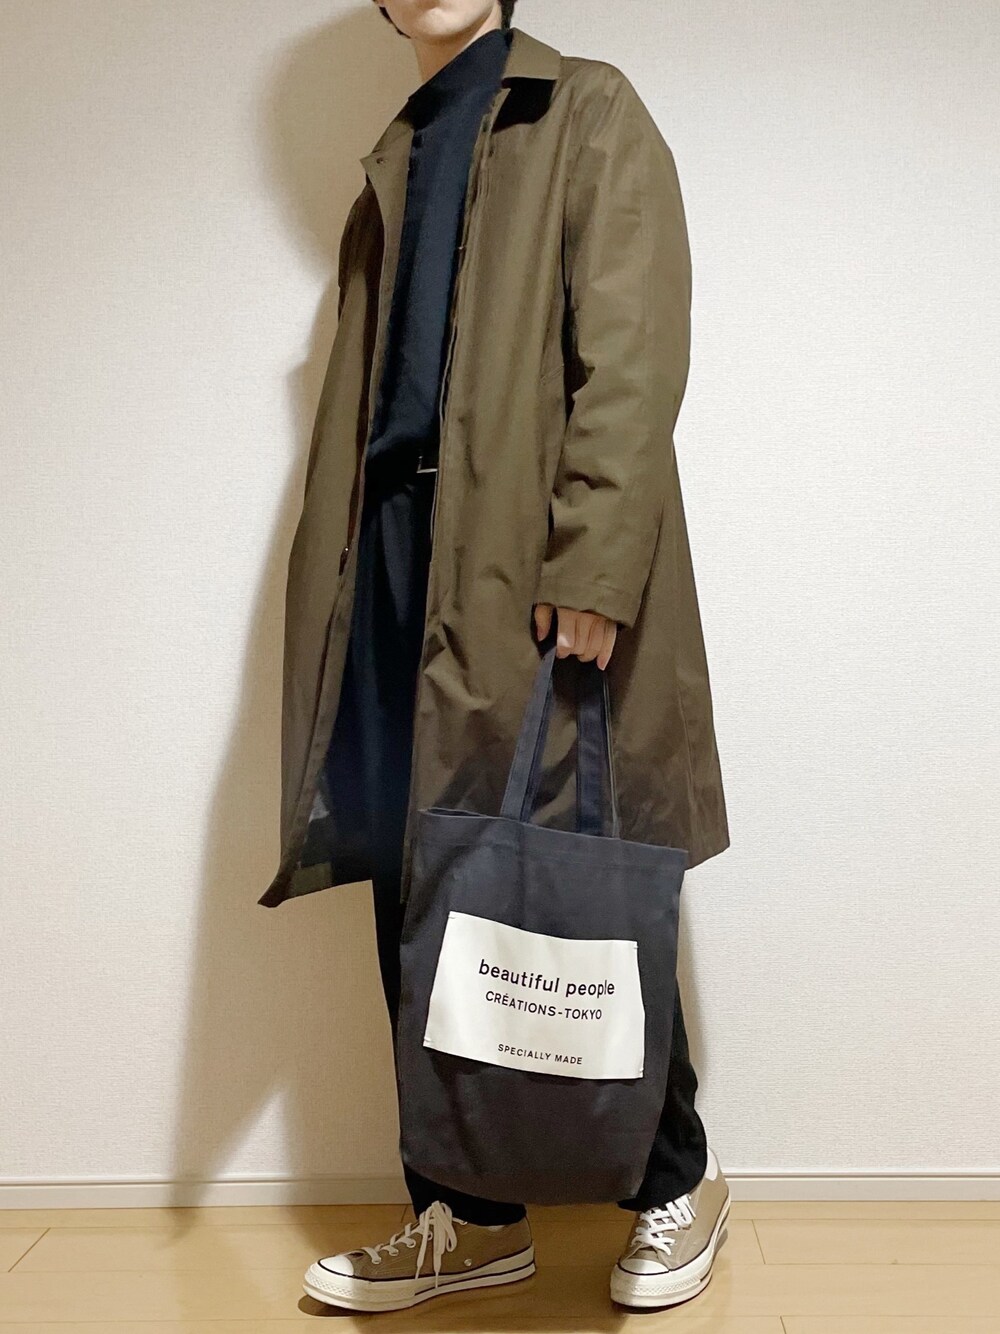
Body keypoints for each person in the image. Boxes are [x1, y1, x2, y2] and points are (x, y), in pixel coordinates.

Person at [261, 0, 732, 1314]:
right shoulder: (398, 151)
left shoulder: (586, 109)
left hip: (523, 560)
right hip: (390, 561)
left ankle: (676, 1181)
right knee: (418, 882)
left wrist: (593, 565)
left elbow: (633, 355)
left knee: (572, 870)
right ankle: (467, 1215)